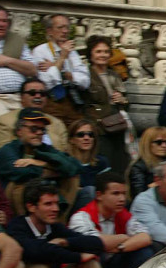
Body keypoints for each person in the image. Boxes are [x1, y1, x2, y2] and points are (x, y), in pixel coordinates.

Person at [69, 171, 153, 268]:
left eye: (124, 193)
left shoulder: (121, 214)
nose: (122, 199)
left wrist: (119, 248)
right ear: (99, 195)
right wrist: (123, 238)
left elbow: (145, 237)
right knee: (98, 255)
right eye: (116, 194)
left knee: (144, 252)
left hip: (112, 266)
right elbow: (94, 242)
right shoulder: (81, 217)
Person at [0, 108, 82, 214]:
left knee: (72, 179)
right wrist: (48, 171)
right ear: (19, 131)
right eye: (34, 129)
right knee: (19, 185)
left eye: (43, 130)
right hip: (14, 203)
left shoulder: (45, 148)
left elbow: (75, 166)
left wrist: (42, 163)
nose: (39, 133)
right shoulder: (8, 149)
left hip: (46, 196)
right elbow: (19, 173)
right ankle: (26, 225)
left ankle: (59, 223)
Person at [82, 35, 132, 178]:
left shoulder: (115, 75)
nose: (102, 55)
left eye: (105, 52)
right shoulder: (86, 75)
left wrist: (122, 99)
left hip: (117, 126)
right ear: (90, 54)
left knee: (119, 166)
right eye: (98, 51)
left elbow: (126, 103)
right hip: (98, 128)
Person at [33, 14, 89, 124]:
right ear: (50, 31)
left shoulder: (72, 53)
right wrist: (62, 57)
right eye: (60, 28)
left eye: (67, 27)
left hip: (73, 101)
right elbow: (46, 82)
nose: (65, 31)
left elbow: (85, 81)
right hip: (52, 101)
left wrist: (57, 67)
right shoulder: (40, 51)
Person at [0, 79, 69, 151]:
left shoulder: (57, 123)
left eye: (42, 94)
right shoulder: (5, 121)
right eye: (32, 93)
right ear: (21, 97)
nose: (38, 96)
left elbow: (65, 152)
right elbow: (5, 152)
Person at [66, 118, 110, 211]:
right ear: (71, 140)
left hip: (98, 206)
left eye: (90, 135)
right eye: (81, 135)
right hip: (72, 207)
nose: (87, 138)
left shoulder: (101, 162)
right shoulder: (66, 162)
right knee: (89, 191)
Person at [127, 126, 166, 201]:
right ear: (148, 144)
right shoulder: (139, 167)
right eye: (159, 142)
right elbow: (138, 196)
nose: (164, 146)